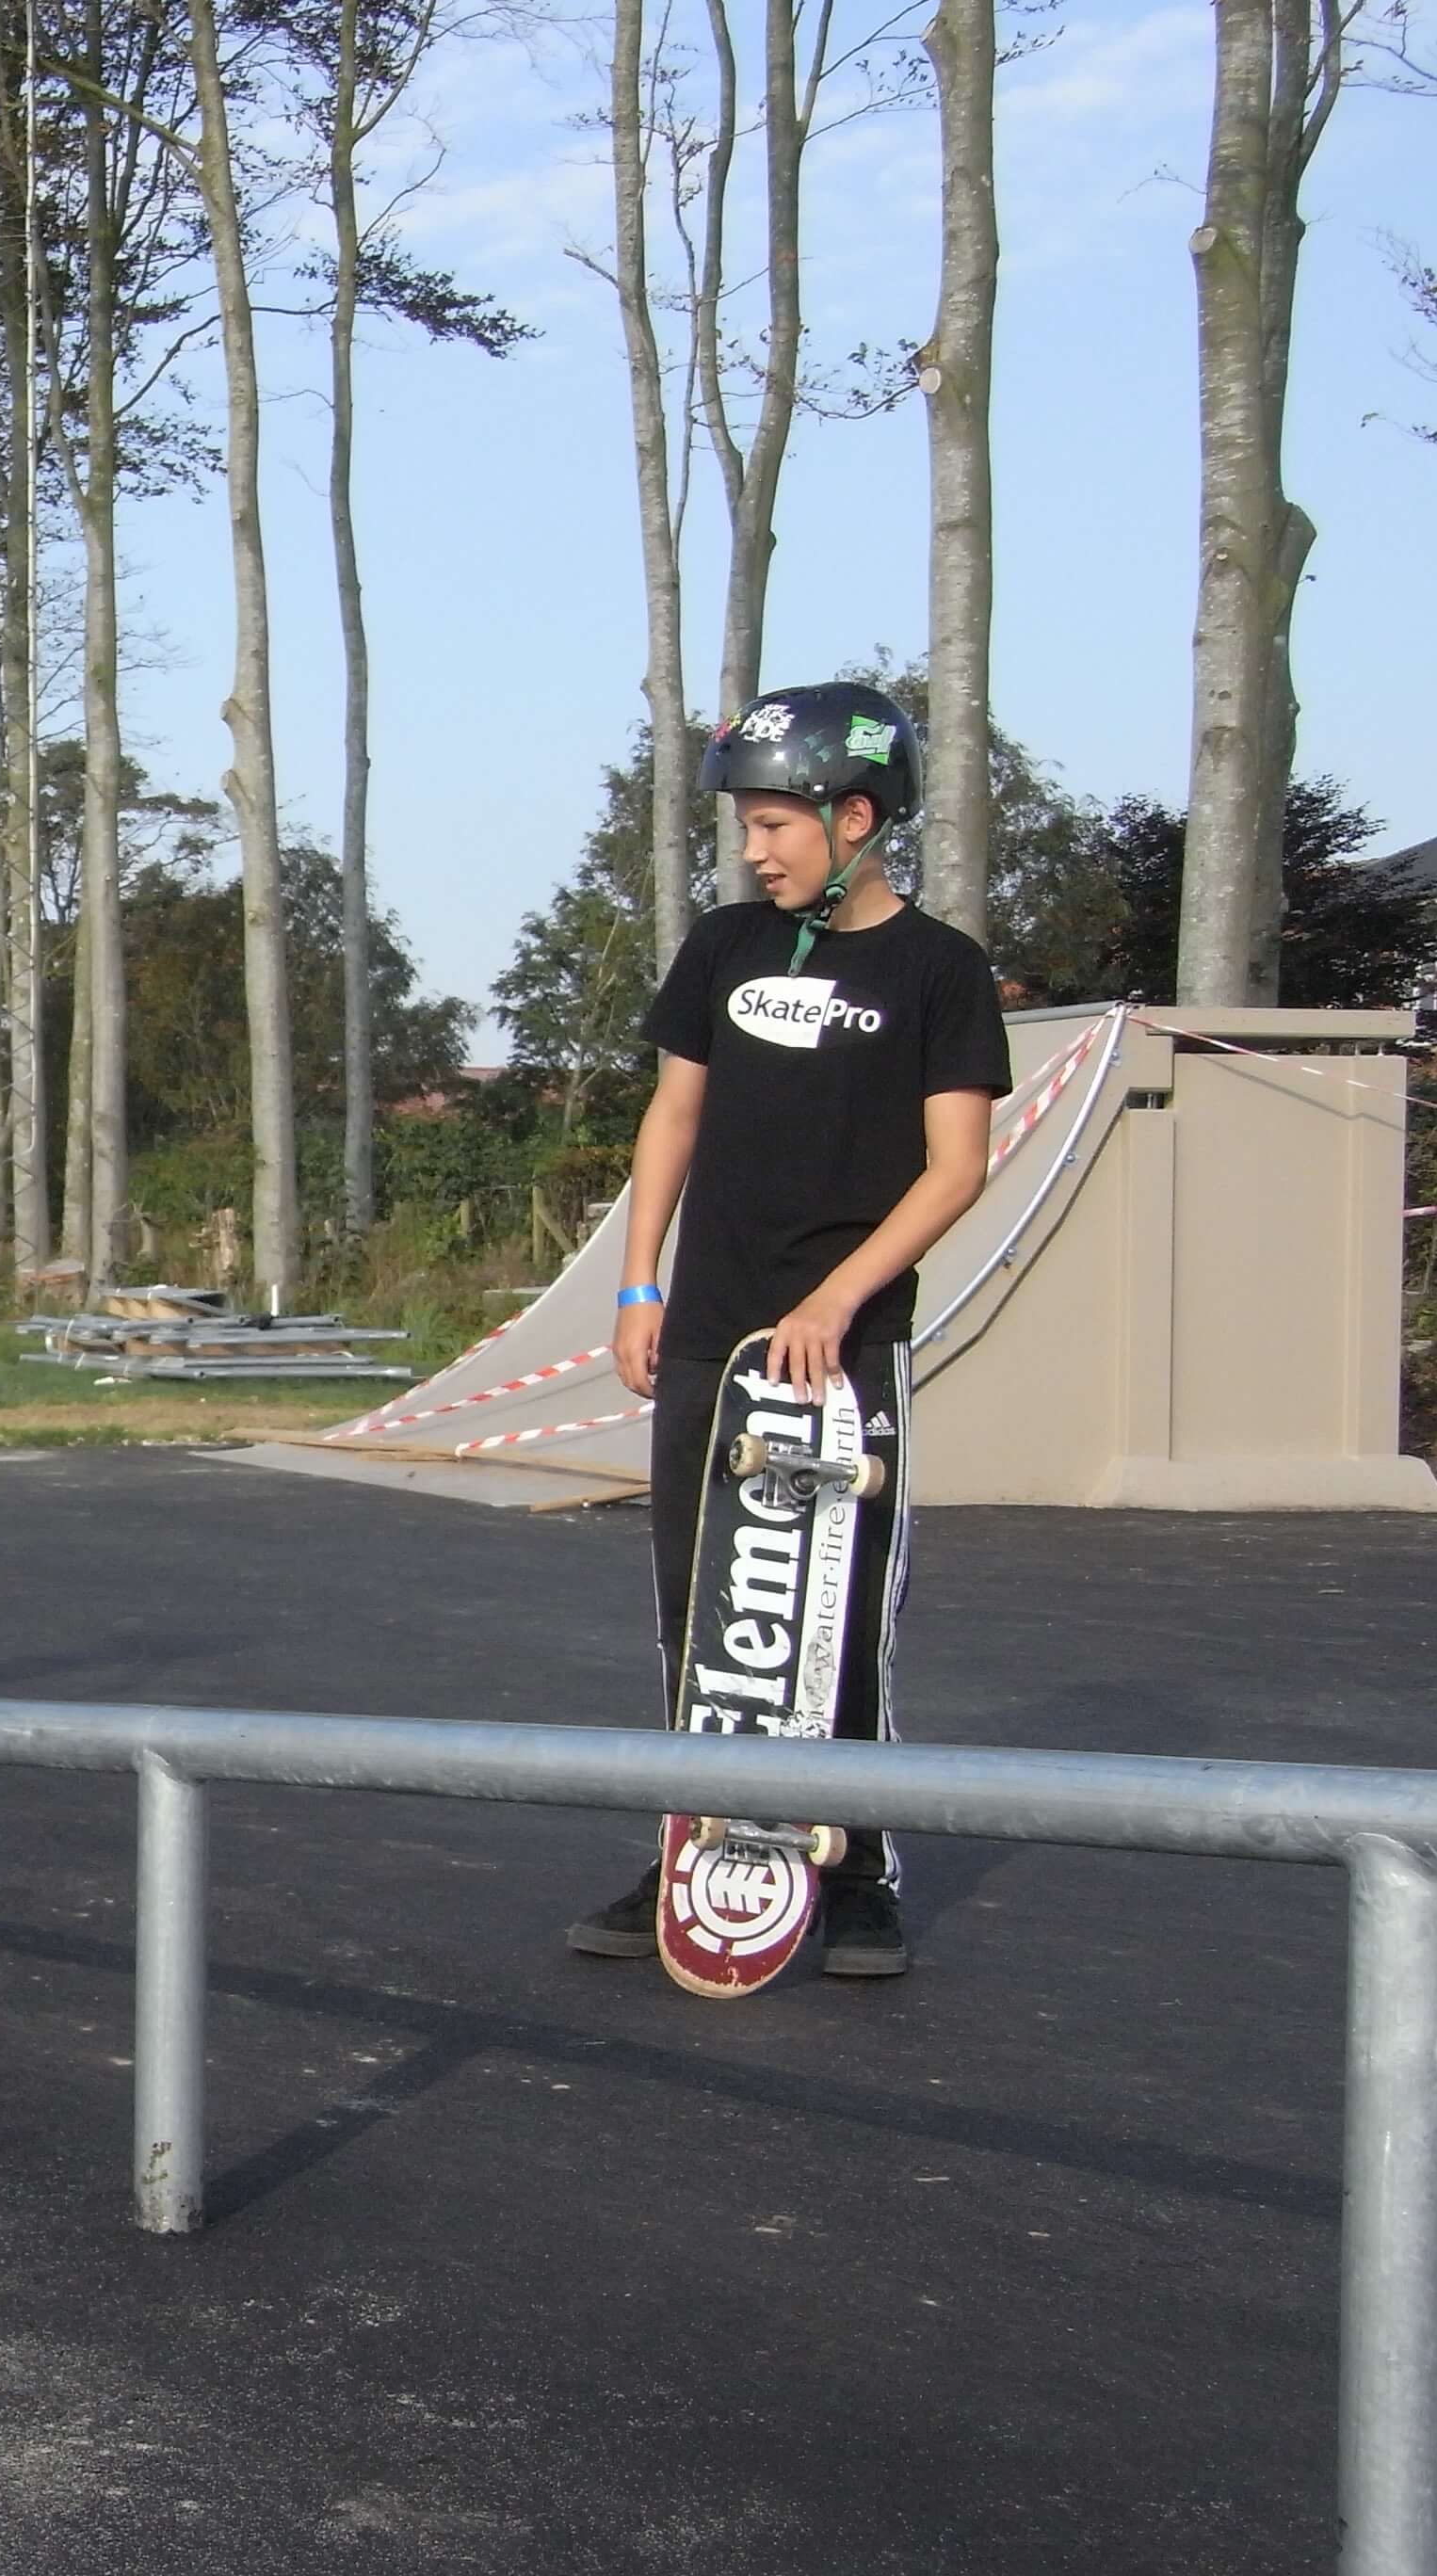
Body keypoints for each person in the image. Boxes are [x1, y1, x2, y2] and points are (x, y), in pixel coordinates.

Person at [565, 679, 1011, 1979]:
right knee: (696, 1606)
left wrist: (836, 1298)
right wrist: (638, 1282)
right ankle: (700, 1844)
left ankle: (861, 1866)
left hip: (842, 1350)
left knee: (841, 1605)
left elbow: (955, 1168)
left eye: (776, 823)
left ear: (857, 817)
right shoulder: (724, 948)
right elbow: (675, 1118)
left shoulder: (939, 970)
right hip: (709, 1332)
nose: (754, 848)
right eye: (746, 826)